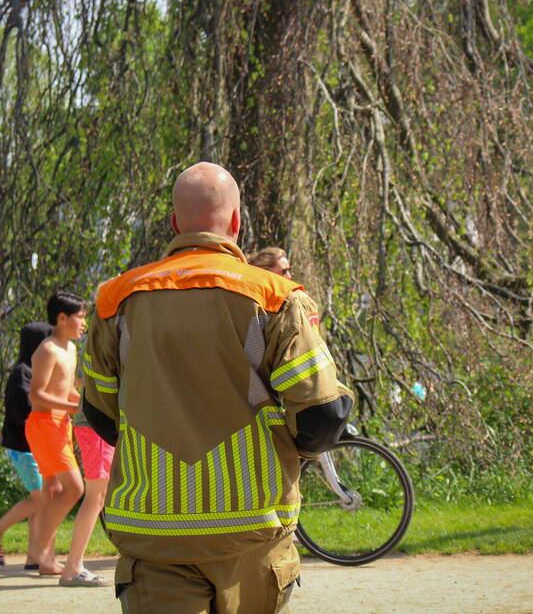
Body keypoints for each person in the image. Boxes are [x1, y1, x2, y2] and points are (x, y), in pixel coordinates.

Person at [82, 162, 353, 612]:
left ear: (173, 222)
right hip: (252, 529)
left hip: (153, 530)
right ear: (235, 222)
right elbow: (322, 415)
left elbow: (100, 415)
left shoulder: (115, 301)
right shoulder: (276, 297)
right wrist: (294, 452)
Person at [24, 291, 87, 578]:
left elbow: (66, 391)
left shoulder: (70, 349)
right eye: (80, 317)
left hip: (61, 425)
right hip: (44, 423)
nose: (84, 323)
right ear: (62, 318)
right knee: (75, 488)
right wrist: (74, 407)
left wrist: (84, 403)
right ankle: (38, 548)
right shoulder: (47, 349)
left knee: (53, 490)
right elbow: (37, 395)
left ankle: (46, 560)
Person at [0, 322, 50, 568]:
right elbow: (22, 411)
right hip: (24, 447)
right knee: (41, 499)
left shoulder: (34, 370)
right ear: (37, 345)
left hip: (34, 446)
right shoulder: (23, 372)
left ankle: (33, 557)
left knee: (40, 501)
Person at [61, 401, 115, 586]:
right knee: (96, 497)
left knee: (100, 496)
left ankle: (73, 566)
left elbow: (78, 381)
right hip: (98, 426)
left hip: (99, 425)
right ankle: (73, 568)